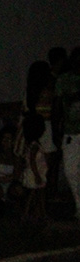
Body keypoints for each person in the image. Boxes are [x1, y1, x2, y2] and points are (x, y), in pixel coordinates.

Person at [53, 47, 80, 218]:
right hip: (71, 134)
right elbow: (56, 107)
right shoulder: (64, 80)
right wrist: (56, 131)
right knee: (71, 172)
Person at [20, 113, 49, 220]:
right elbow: (32, 161)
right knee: (34, 193)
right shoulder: (34, 146)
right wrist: (37, 174)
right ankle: (29, 213)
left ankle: (39, 212)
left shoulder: (31, 144)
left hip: (36, 171)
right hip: (35, 172)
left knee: (37, 193)